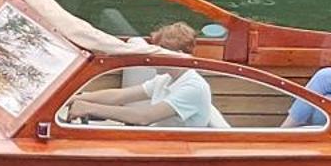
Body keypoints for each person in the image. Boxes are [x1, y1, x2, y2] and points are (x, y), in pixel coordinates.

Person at [67, 23, 229, 128]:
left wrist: (90, 108)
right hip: (159, 141)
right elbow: (120, 96)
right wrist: (77, 98)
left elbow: (144, 117)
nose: (152, 58)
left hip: (178, 152)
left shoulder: (193, 87)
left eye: (158, 53)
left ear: (178, 55)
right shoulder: (166, 79)